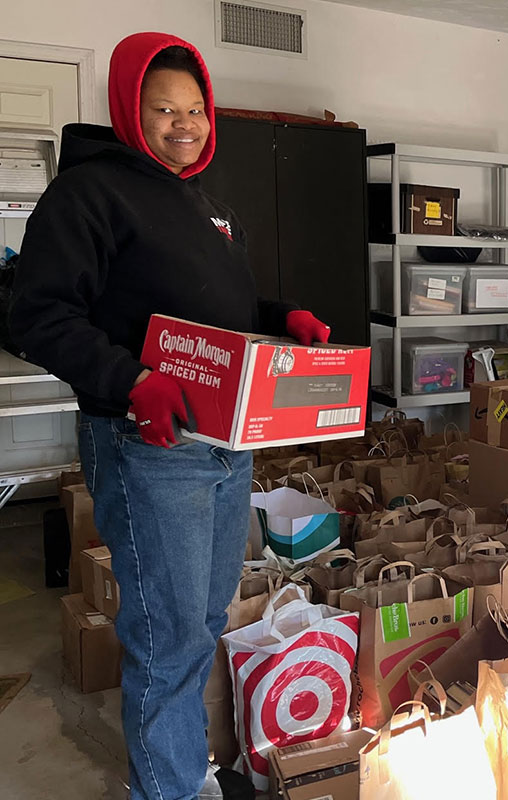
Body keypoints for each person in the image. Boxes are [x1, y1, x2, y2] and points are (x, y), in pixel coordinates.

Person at [9, 32, 331, 798]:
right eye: (163, 110)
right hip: (148, 440)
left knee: (200, 618)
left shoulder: (207, 204)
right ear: (129, 108)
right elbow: (39, 316)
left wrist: (282, 318)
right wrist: (130, 382)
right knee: (167, 635)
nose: (183, 124)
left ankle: (181, 772)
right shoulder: (87, 194)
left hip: (222, 443)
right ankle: (170, 789)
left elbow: (220, 309)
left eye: (194, 109)